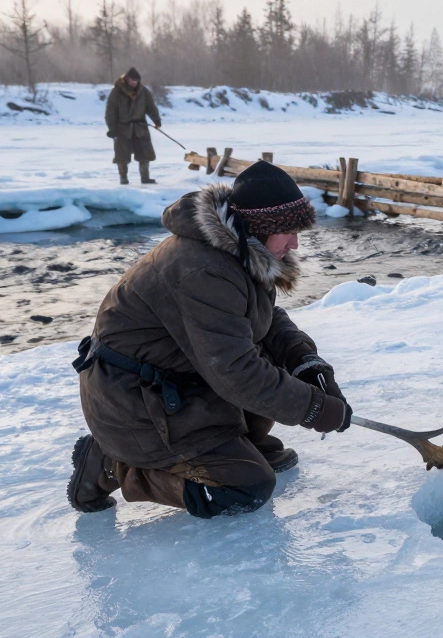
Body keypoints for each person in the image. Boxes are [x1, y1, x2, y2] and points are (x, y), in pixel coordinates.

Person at [67, 161, 350, 519]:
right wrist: (314, 408)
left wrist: (305, 362)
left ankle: (244, 441)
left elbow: (263, 319)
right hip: (134, 398)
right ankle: (112, 463)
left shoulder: (242, 248)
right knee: (246, 486)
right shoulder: (203, 270)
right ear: (257, 226)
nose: (294, 243)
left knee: (267, 352)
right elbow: (236, 372)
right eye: (287, 231)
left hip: (177, 379)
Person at [104, 66, 162, 185]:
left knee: (145, 154)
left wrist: (156, 120)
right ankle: (123, 179)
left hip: (140, 128)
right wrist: (112, 129)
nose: (134, 83)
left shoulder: (144, 92)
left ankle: (145, 178)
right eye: (132, 81)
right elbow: (110, 113)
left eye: (136, 81)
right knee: (122, 156)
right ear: (126, 80)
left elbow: (151, 107)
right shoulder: (116, 92)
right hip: (122, 129)